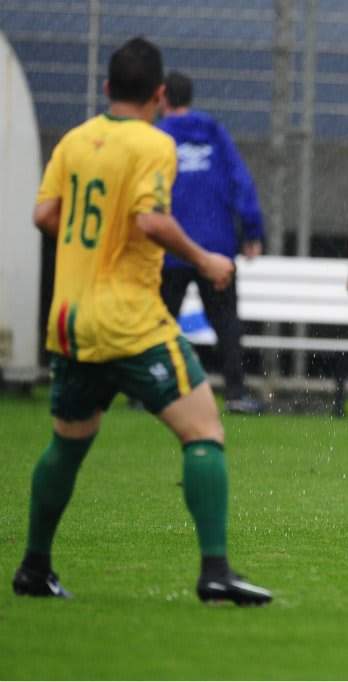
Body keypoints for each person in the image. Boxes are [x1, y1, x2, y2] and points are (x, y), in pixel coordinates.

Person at [11, 36, 272, 604]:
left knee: (68, 444)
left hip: (72, 321)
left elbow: (44, 215)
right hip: (130, 322)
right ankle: (215, 572)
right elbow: (152, 221)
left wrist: (96, 234)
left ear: (107, 87)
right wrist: (206, 259)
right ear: (158, 94)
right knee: (203, 432)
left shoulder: (76, 140)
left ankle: (33, 567)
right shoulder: (154, 144)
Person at [156, 71, 265, 415]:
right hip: (216, 244)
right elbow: (239, 179)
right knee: (226, 322)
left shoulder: (156, 137)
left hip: (170, 243)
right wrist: (251, 229)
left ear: (161, 97)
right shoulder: (214, 132)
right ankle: (235, 393)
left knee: (158, 320)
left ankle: (150, 388)